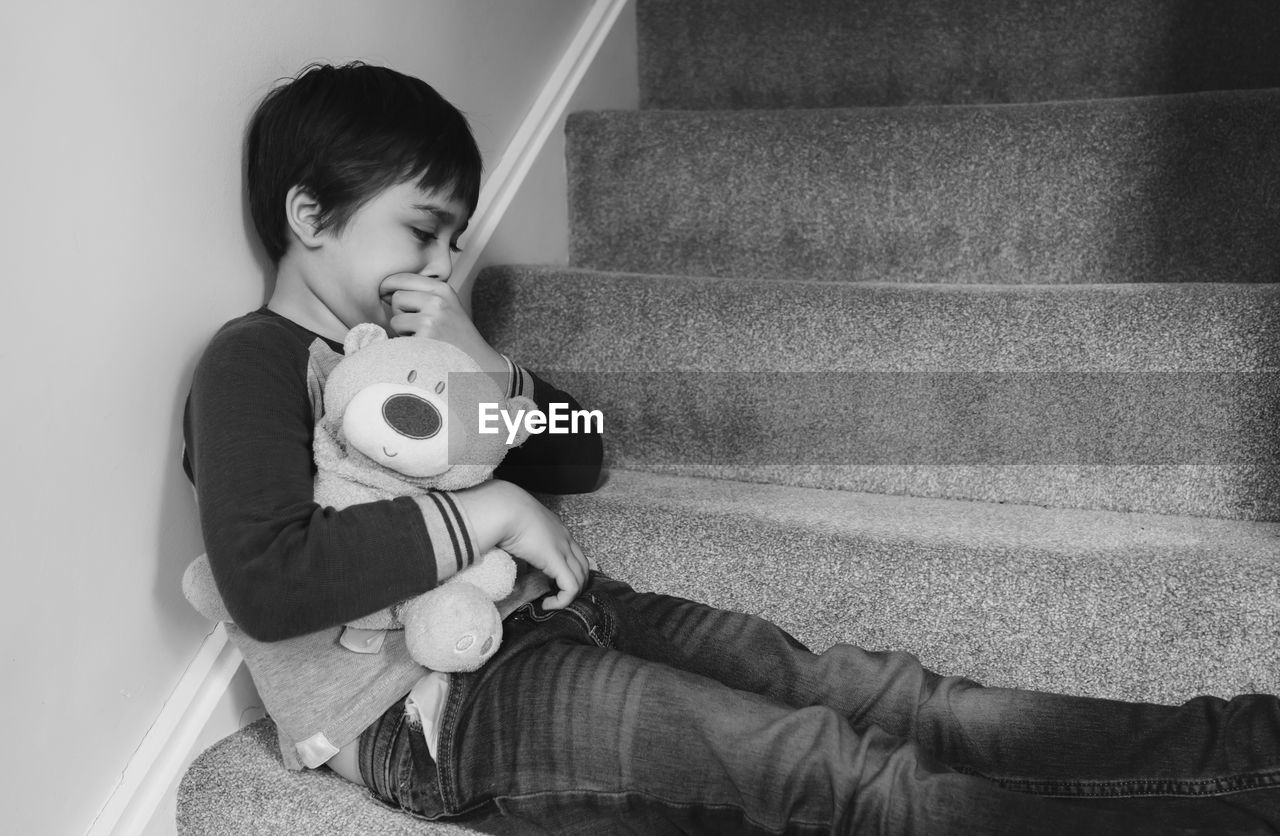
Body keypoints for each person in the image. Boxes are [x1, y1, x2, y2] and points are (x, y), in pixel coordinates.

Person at [183, 62, 1280, 835]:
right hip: (433, 707)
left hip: (571, 604)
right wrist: (494, 514)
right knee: (831, 774)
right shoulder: (255, 363)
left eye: (455, 236)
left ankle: (1238, 748)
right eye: (422, 228)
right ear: (310, 215)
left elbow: (581, 456)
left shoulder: (428, 350)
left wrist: (488, 364)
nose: (443, 257)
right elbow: (271, 579)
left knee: (884, 694)